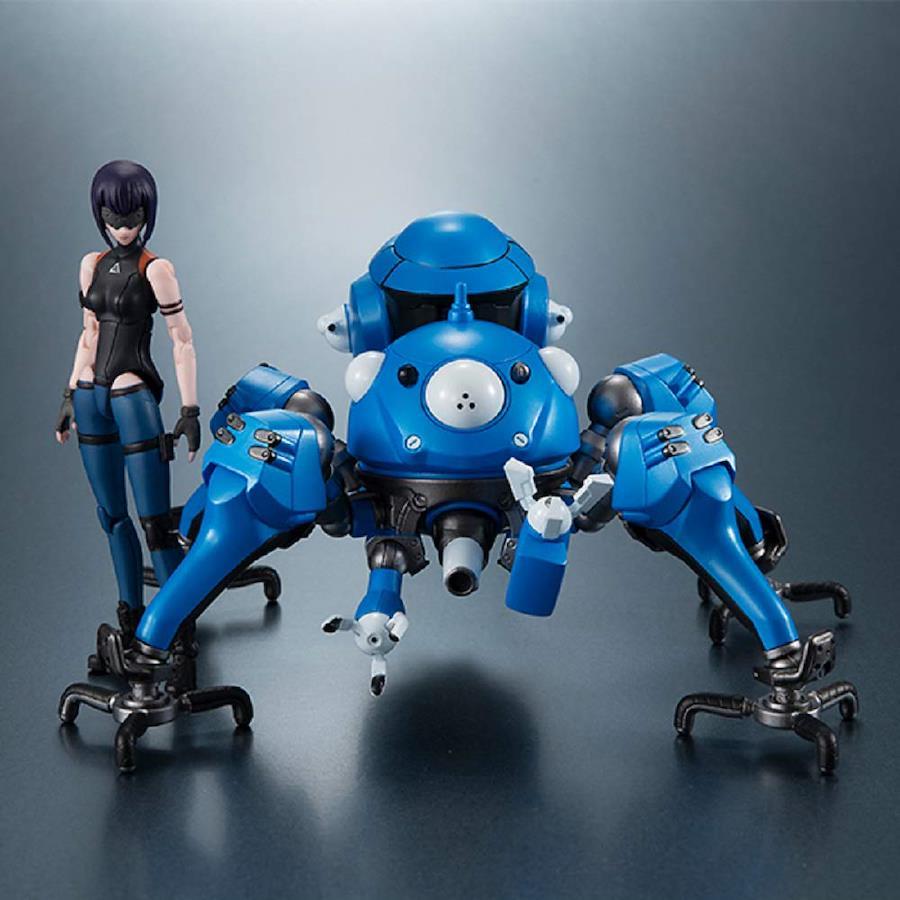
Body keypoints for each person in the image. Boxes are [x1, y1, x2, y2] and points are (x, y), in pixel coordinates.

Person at [55, 160, 201, 671]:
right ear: (98, 214)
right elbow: (89, 332)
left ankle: (176, 630)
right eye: (112, 217)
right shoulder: (91, 264)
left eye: (132, 217)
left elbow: (182, 339)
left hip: (132, 393)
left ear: (147, 214)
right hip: (92, 394)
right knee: (111, 517)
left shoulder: (156, 269)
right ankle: (131, 622)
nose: (122, 227)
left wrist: (189, 408)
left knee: (155, 525)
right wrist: (70, 391)